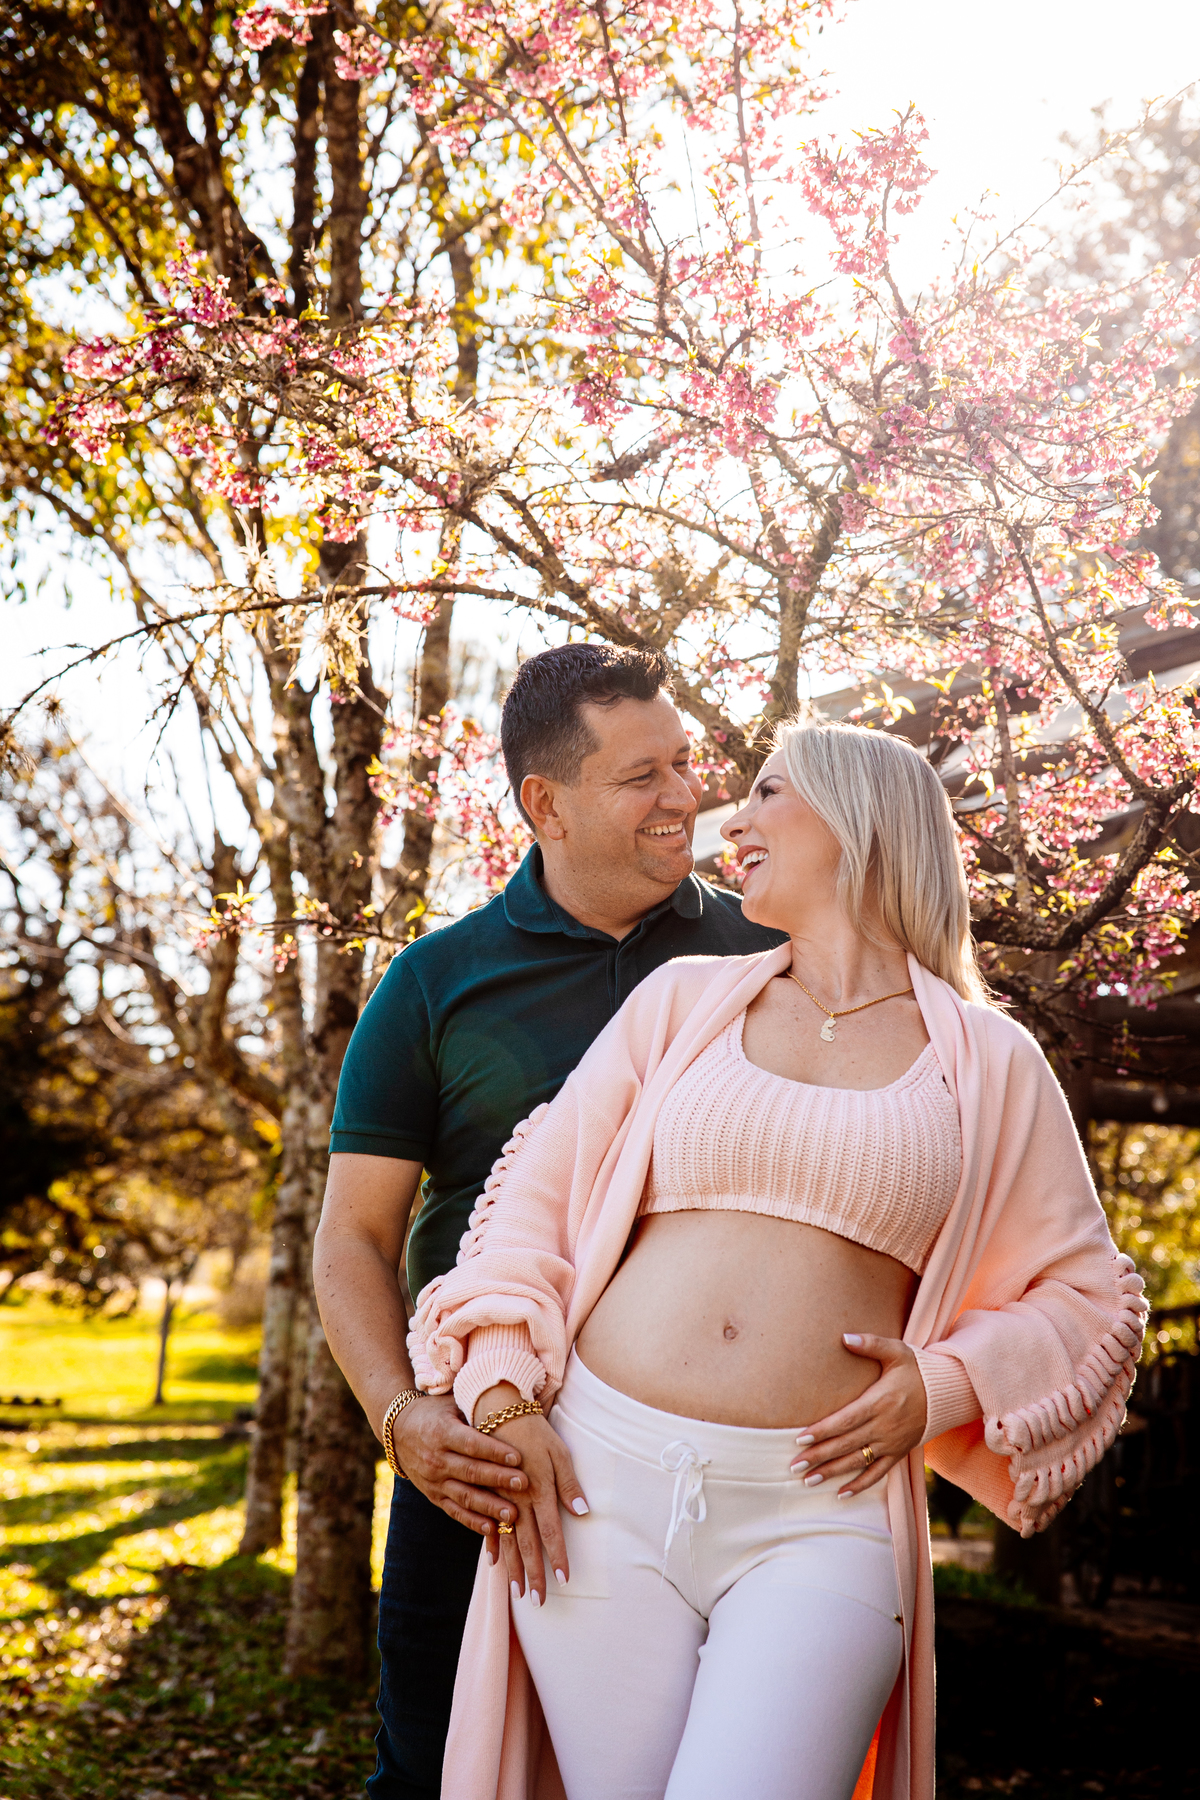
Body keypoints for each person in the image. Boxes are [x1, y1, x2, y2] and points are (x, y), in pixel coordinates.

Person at [411, 718, 1147, 1800]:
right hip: (596, 1490)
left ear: (858, 818)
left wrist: (944, 1386)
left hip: (821, 1512)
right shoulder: (680, 1004)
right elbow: (536, 1204)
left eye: (767, 793)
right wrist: (507, 1395)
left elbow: (1089, 1300)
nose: (732, 822)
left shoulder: (991, 1059)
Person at [312, 643, 785, 1800]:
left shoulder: (770, 957)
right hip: (476, 1461)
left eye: (685, 763)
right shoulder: (434, 984)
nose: (684, 796)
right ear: (547, 803)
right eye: (641, 776)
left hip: (706, 1467)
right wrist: (404, 1420)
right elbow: (353, 1238)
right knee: (434, 1774)